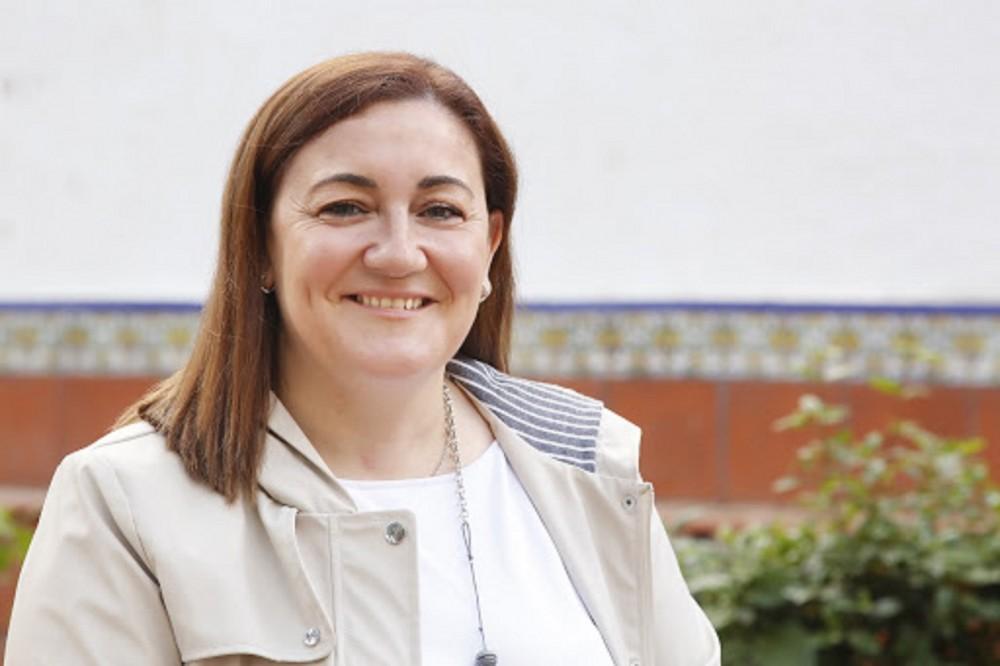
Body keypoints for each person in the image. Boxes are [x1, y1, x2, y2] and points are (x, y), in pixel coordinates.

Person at [4, 52, 720, 665]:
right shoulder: (127, 503)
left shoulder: (586, 468)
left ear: (490, 246)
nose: (399, 254)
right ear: (260, 247)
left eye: (440, 211)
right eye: (345, 207)